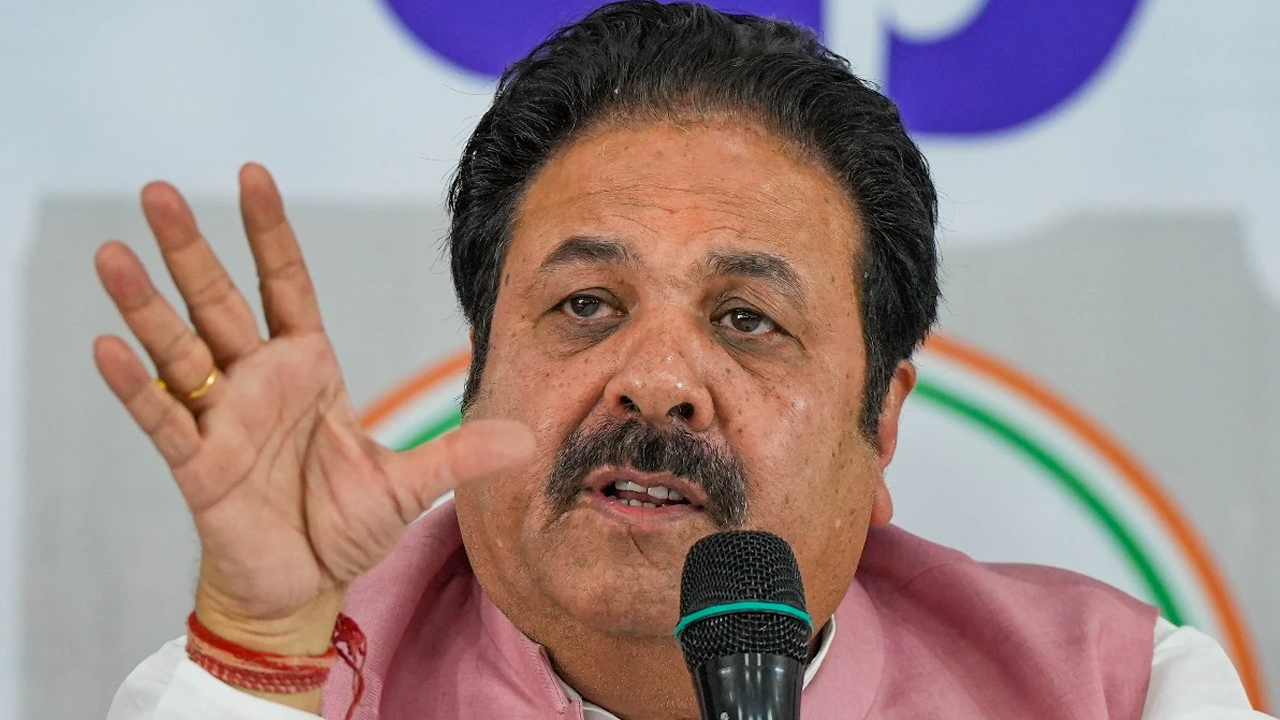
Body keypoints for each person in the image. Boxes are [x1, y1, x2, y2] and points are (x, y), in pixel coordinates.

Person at [99, 2, 1270, 718]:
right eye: (585, 304)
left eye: (747, 319)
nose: (655, 380)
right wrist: (260, 657)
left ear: (879, 425)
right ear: (479, 372)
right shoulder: (278, 679)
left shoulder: (1118, 695)